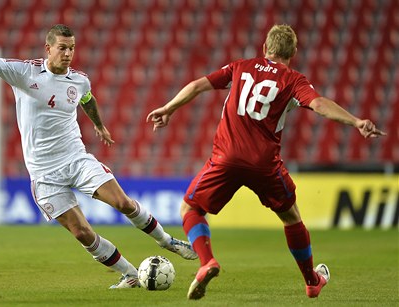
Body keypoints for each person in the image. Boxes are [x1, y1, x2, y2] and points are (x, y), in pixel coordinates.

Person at [147, 24, 386, 300]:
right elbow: (319, 105)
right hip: (264, 163)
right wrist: (356, 121)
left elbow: (198, 85)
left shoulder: (240, 67)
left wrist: (169, 108)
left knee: (191, 208)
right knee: (291, 217)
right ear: (293, 52)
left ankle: (207, 261)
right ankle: (311, 280)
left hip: (226, 157)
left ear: (264, 49)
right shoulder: (293, 79)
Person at [0, 24, 197, 289]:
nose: (68, 53)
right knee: (82, 233)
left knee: (123, 203)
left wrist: (98, 124)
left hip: (76, 159)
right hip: (44, 174)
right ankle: (129, 274)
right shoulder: (24, 72)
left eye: (71, 48)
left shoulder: (79, 79)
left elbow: (87, 98)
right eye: (62, 48)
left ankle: (167, 241)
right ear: (48, 48)